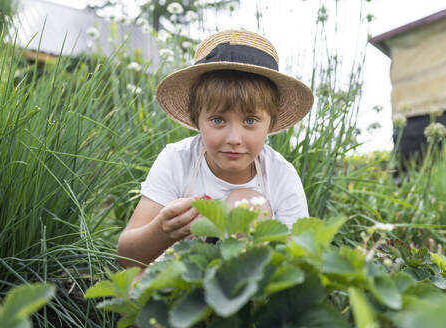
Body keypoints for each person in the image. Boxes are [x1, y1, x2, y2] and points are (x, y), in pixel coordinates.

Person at [117, 29, 314, 268]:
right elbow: (126, 257)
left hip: (250, 284)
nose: (234, 138)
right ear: (196, 118)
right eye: (218, 120)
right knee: (134, 285)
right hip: (179, 280)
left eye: (250, 121)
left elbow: (301, 259)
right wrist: (162, 230)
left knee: (249, 203)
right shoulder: (178, 159)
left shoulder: (280, 174)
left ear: (271, 122)